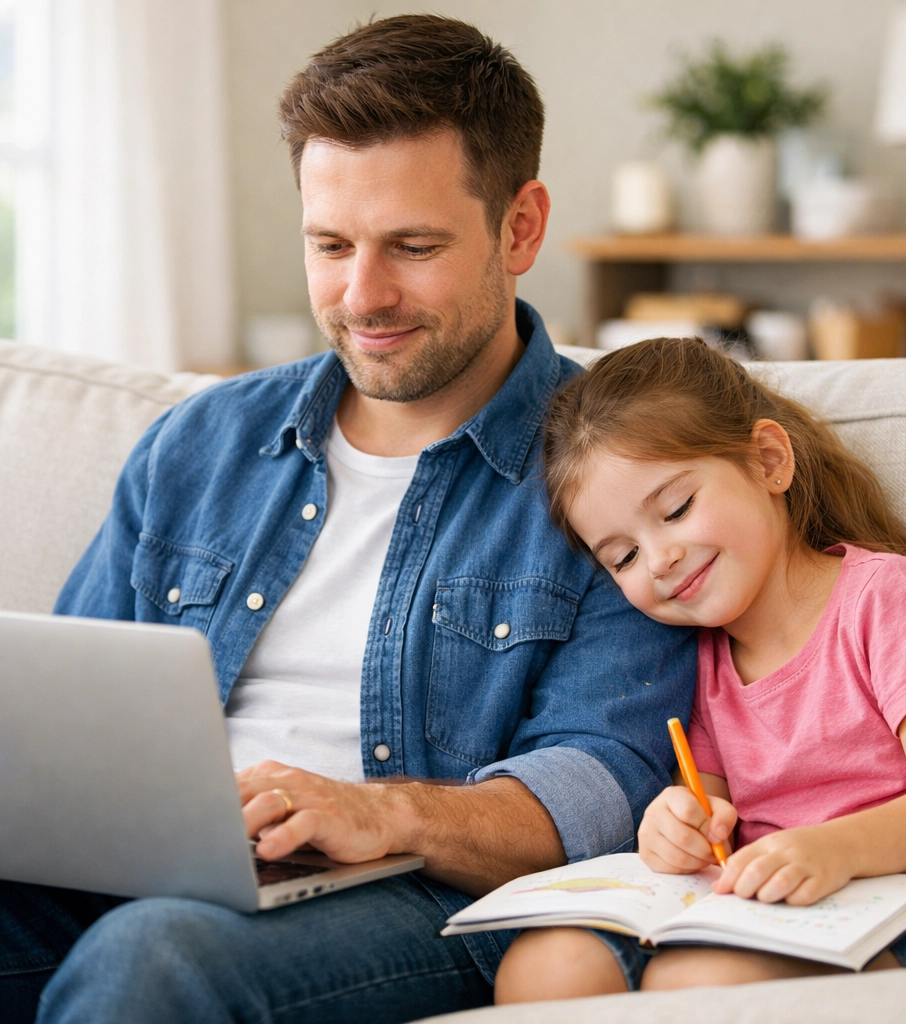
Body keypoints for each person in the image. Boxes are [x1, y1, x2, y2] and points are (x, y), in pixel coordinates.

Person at [0, 17, 696, 1024]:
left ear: (521, 227)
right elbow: (57, 722)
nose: (361, 296)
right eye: (330, 245)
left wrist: (377, 812)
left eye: (412, 246)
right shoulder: (200, 445)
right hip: (155, 875)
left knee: (155, 959)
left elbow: (605, 783)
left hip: (425, 901)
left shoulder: (613, 470)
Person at [494, 337, 906, 1002]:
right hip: (766, 910)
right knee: (548, 964)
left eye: (677, 509)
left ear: (769, 461)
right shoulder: (707, 657)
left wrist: (834, 850)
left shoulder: (884, 598)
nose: (659, 559)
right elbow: (710, 800)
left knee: (702, 980)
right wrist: (678, 821)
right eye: (623, 556)